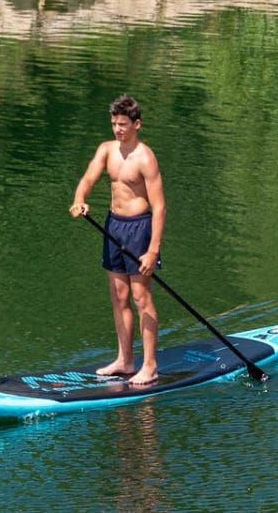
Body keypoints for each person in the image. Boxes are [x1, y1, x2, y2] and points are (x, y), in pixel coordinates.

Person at [70, 94, 166, 385]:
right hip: (113, 227)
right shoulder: (106, 150)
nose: (117, 129)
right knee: (119, 296)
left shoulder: (145, 158)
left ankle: (150, 366)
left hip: (139, 229)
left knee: (140, 298)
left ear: (137, 124)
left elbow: (159, 206)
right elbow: (88, 179)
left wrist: (152, 251)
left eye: (123, 124)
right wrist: (79, 199)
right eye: (114, 124)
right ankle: (125, 360)